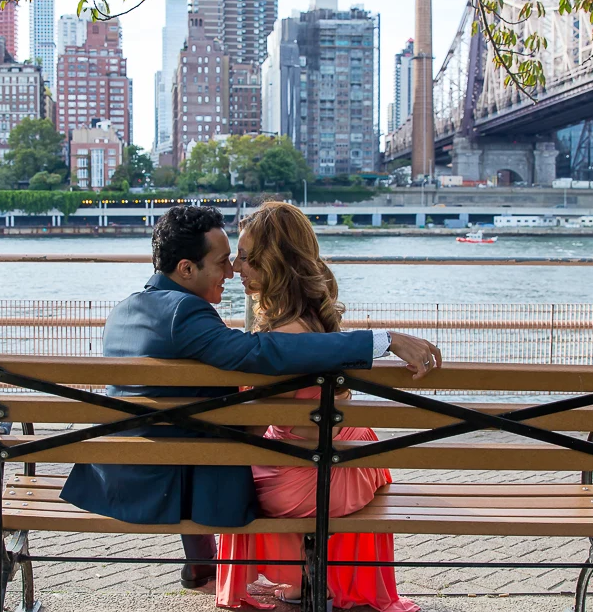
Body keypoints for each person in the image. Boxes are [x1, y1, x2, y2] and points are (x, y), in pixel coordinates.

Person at [60, 205, 443, 588]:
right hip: (172, 477)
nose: (230, 271)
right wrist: (381, 340)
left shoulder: (124, 310)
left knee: (203, 430)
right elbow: (260, 352)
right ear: (187, 269)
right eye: (222, 262)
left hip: (118, 473)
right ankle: (264, 569)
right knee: (237, 444)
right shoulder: (186, 313)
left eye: (239, 259)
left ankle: (202, 561)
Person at [217, 202, 420, 612]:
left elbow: (252, 428)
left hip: (303, 488)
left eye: (246, 257)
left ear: (276, 263)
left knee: (233, 474)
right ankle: (315, 580)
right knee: (343, 439)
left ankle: (300, 582)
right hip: (347, 472)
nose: (236, 267)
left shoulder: (281, 337)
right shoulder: (314, 320)